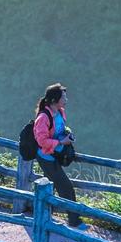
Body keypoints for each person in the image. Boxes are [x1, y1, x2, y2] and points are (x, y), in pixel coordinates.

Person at [33, 83, 86, 230]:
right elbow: (41, 141)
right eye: (63, 97)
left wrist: (66, 134)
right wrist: (62, 142)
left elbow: (58, 130)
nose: (66, 100)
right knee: (66, 188)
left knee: (49, 187)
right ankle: (74, 221)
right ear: (54, 100)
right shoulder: (43, 117)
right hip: (47, 157)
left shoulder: (60, 112)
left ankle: (43, 215)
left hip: (54, 155)